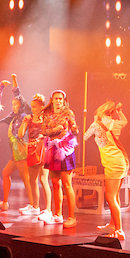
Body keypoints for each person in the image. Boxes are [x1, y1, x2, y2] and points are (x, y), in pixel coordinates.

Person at [84, 100, 129, 239]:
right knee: (114, 196)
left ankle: (119, 230)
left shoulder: (96, 125)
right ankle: (113, 225)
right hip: (120, 160)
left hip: (113, 163)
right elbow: (124, 121)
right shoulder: (114, 124)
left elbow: (85, 137)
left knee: (110, 197)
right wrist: (120, 112)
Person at [40, 89, 79, 228]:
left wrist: (73, 129)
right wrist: (55, 129)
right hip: (52, 149)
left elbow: (75, 130)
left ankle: (72, 217)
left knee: (67, 184)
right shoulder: (47, 114)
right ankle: (57, 215)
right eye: (56, 98)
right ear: (52, 100)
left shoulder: (68, 113)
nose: (58, 101)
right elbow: (43, 130)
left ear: (64, 100)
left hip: (65, 150)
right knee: (55, 183)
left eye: (60, 99)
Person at [0, 75, 32, 212]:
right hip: (15, 151)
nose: (14, 106)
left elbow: (18, 94)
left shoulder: (23, 116)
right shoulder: (14, 116)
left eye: (16, 104)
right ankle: (5, 202)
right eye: (13, 104)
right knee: (5, 173)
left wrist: (14, 80)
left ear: (21, 105)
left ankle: (33, 205)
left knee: (25, 178)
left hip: (21, 151)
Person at [22, 94, 52, 218]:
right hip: (32, 149)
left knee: (43, 179)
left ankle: (48, 209)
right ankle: (35, 207)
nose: (33, 109)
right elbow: (20, 134)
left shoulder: (46, 119)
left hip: (43, 149)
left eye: (35, 107)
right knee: (32, 179)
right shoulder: (29, 119)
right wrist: (24, 122)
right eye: (32, 107)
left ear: (41, 107)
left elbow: (50, 133)